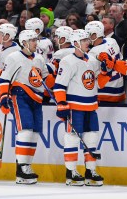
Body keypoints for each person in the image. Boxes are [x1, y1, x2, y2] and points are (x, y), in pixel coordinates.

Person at [0, 29, 53, 184]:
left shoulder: (39, 58)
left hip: (37, 98)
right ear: (24, 42)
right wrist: (3, 98)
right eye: (33, 40)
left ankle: (27, 166)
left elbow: (44, 78)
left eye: (36, 40)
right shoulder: (14, 58)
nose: (36, 43)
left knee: (35, 133)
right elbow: (4, 80)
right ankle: (21, 168)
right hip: (20, 96)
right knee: (26, 131)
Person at [54, 29, 108, 186]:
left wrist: (105, 69)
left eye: (87, 40)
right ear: (76, 43)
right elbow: (59, 86)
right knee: (72, 138)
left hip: (91, 105)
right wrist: (61, 103)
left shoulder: (91, 59)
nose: (88, 43)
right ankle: (71, 171)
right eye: (84, 40)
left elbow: (100, 80)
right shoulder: (67, 61)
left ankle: (90, 170)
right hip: (74, 106)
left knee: (92, 137)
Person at [85, 21, 126, 103]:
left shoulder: (93, 53)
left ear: (95, 35)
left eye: (88, 34)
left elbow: (91, 75)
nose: (87, 37)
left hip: (104, 92)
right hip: (119, 90)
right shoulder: (112, 41)